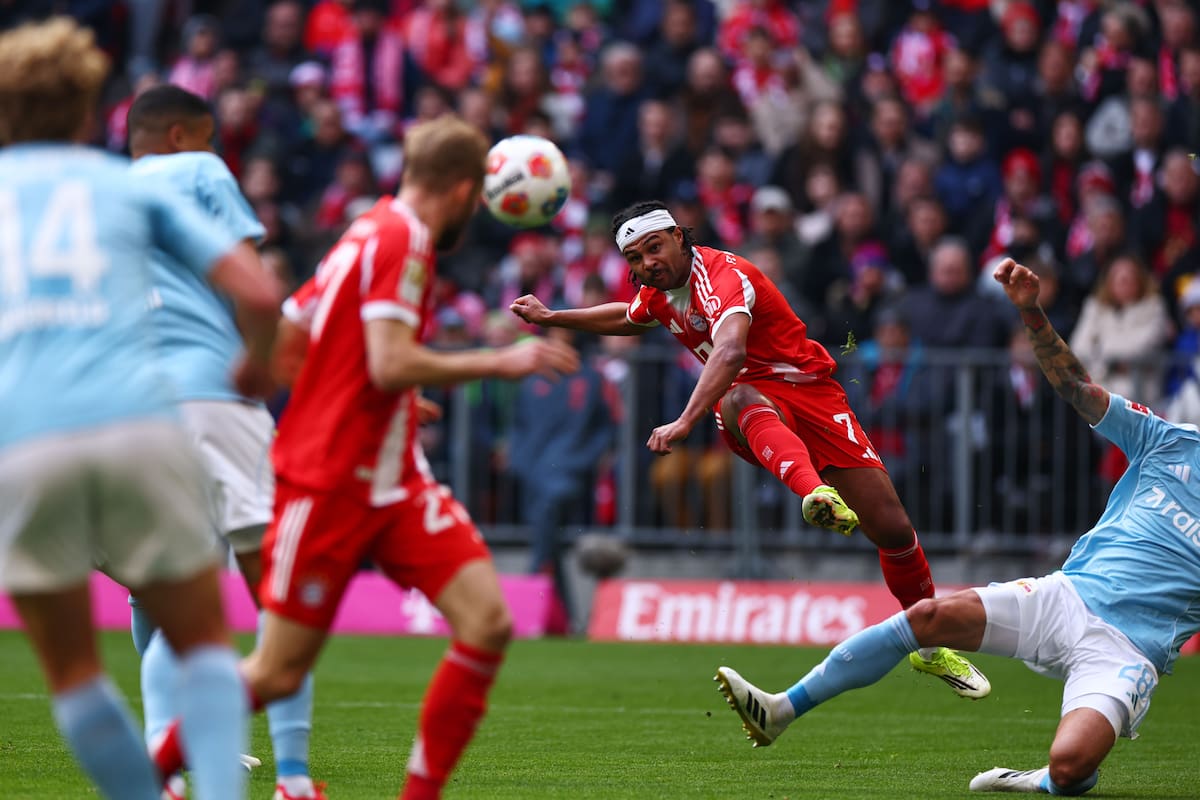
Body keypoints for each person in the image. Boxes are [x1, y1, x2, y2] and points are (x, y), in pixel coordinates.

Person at [147, 114, 580, 800]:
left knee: (488, 621)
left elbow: (293, 333)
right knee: (276, 672)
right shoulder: (406, 240)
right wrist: (503, 360)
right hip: (329, 484)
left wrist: (379, 394)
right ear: (470, 190)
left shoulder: (367, 227)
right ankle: (150, 771)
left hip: (394, 480)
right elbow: (387, 360)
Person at [715, 256, 1200, 796]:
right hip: (1065, 597)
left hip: (1128, 651)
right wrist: (1032, 312)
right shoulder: (1173, 442)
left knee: (1070, 768)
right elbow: (1078, 389)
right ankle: (781, 710)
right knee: (927, 617)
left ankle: (1041, 779)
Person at [510, 200, 990, 699]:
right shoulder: (656, 292)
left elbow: (731, 348)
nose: (646, 263)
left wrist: (683, 421)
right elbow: (630, 317)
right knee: (738, 393)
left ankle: (931, 648)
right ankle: (815, 493)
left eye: (653, 247)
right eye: (634, 258)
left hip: (813, 393)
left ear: (679, 236)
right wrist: (553, 316)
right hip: (751, 404)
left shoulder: (723, 274)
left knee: (893, 530)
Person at [0, 17, 283, 800]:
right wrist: (257, 364)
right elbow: (256, 290)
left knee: (77, 681)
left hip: (24, 443)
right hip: (138, 421)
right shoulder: (120, 186)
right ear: (91, 112)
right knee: (202, 647)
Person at [123, 85, 321, 800]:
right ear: (181, 135)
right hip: (209, 390)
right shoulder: (200, 170)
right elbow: (255, 284)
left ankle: (162, 765)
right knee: (278, 594)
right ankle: (294, 778)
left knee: (171, 593)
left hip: (130, 407)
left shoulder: (106, 194)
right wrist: (261, 358)